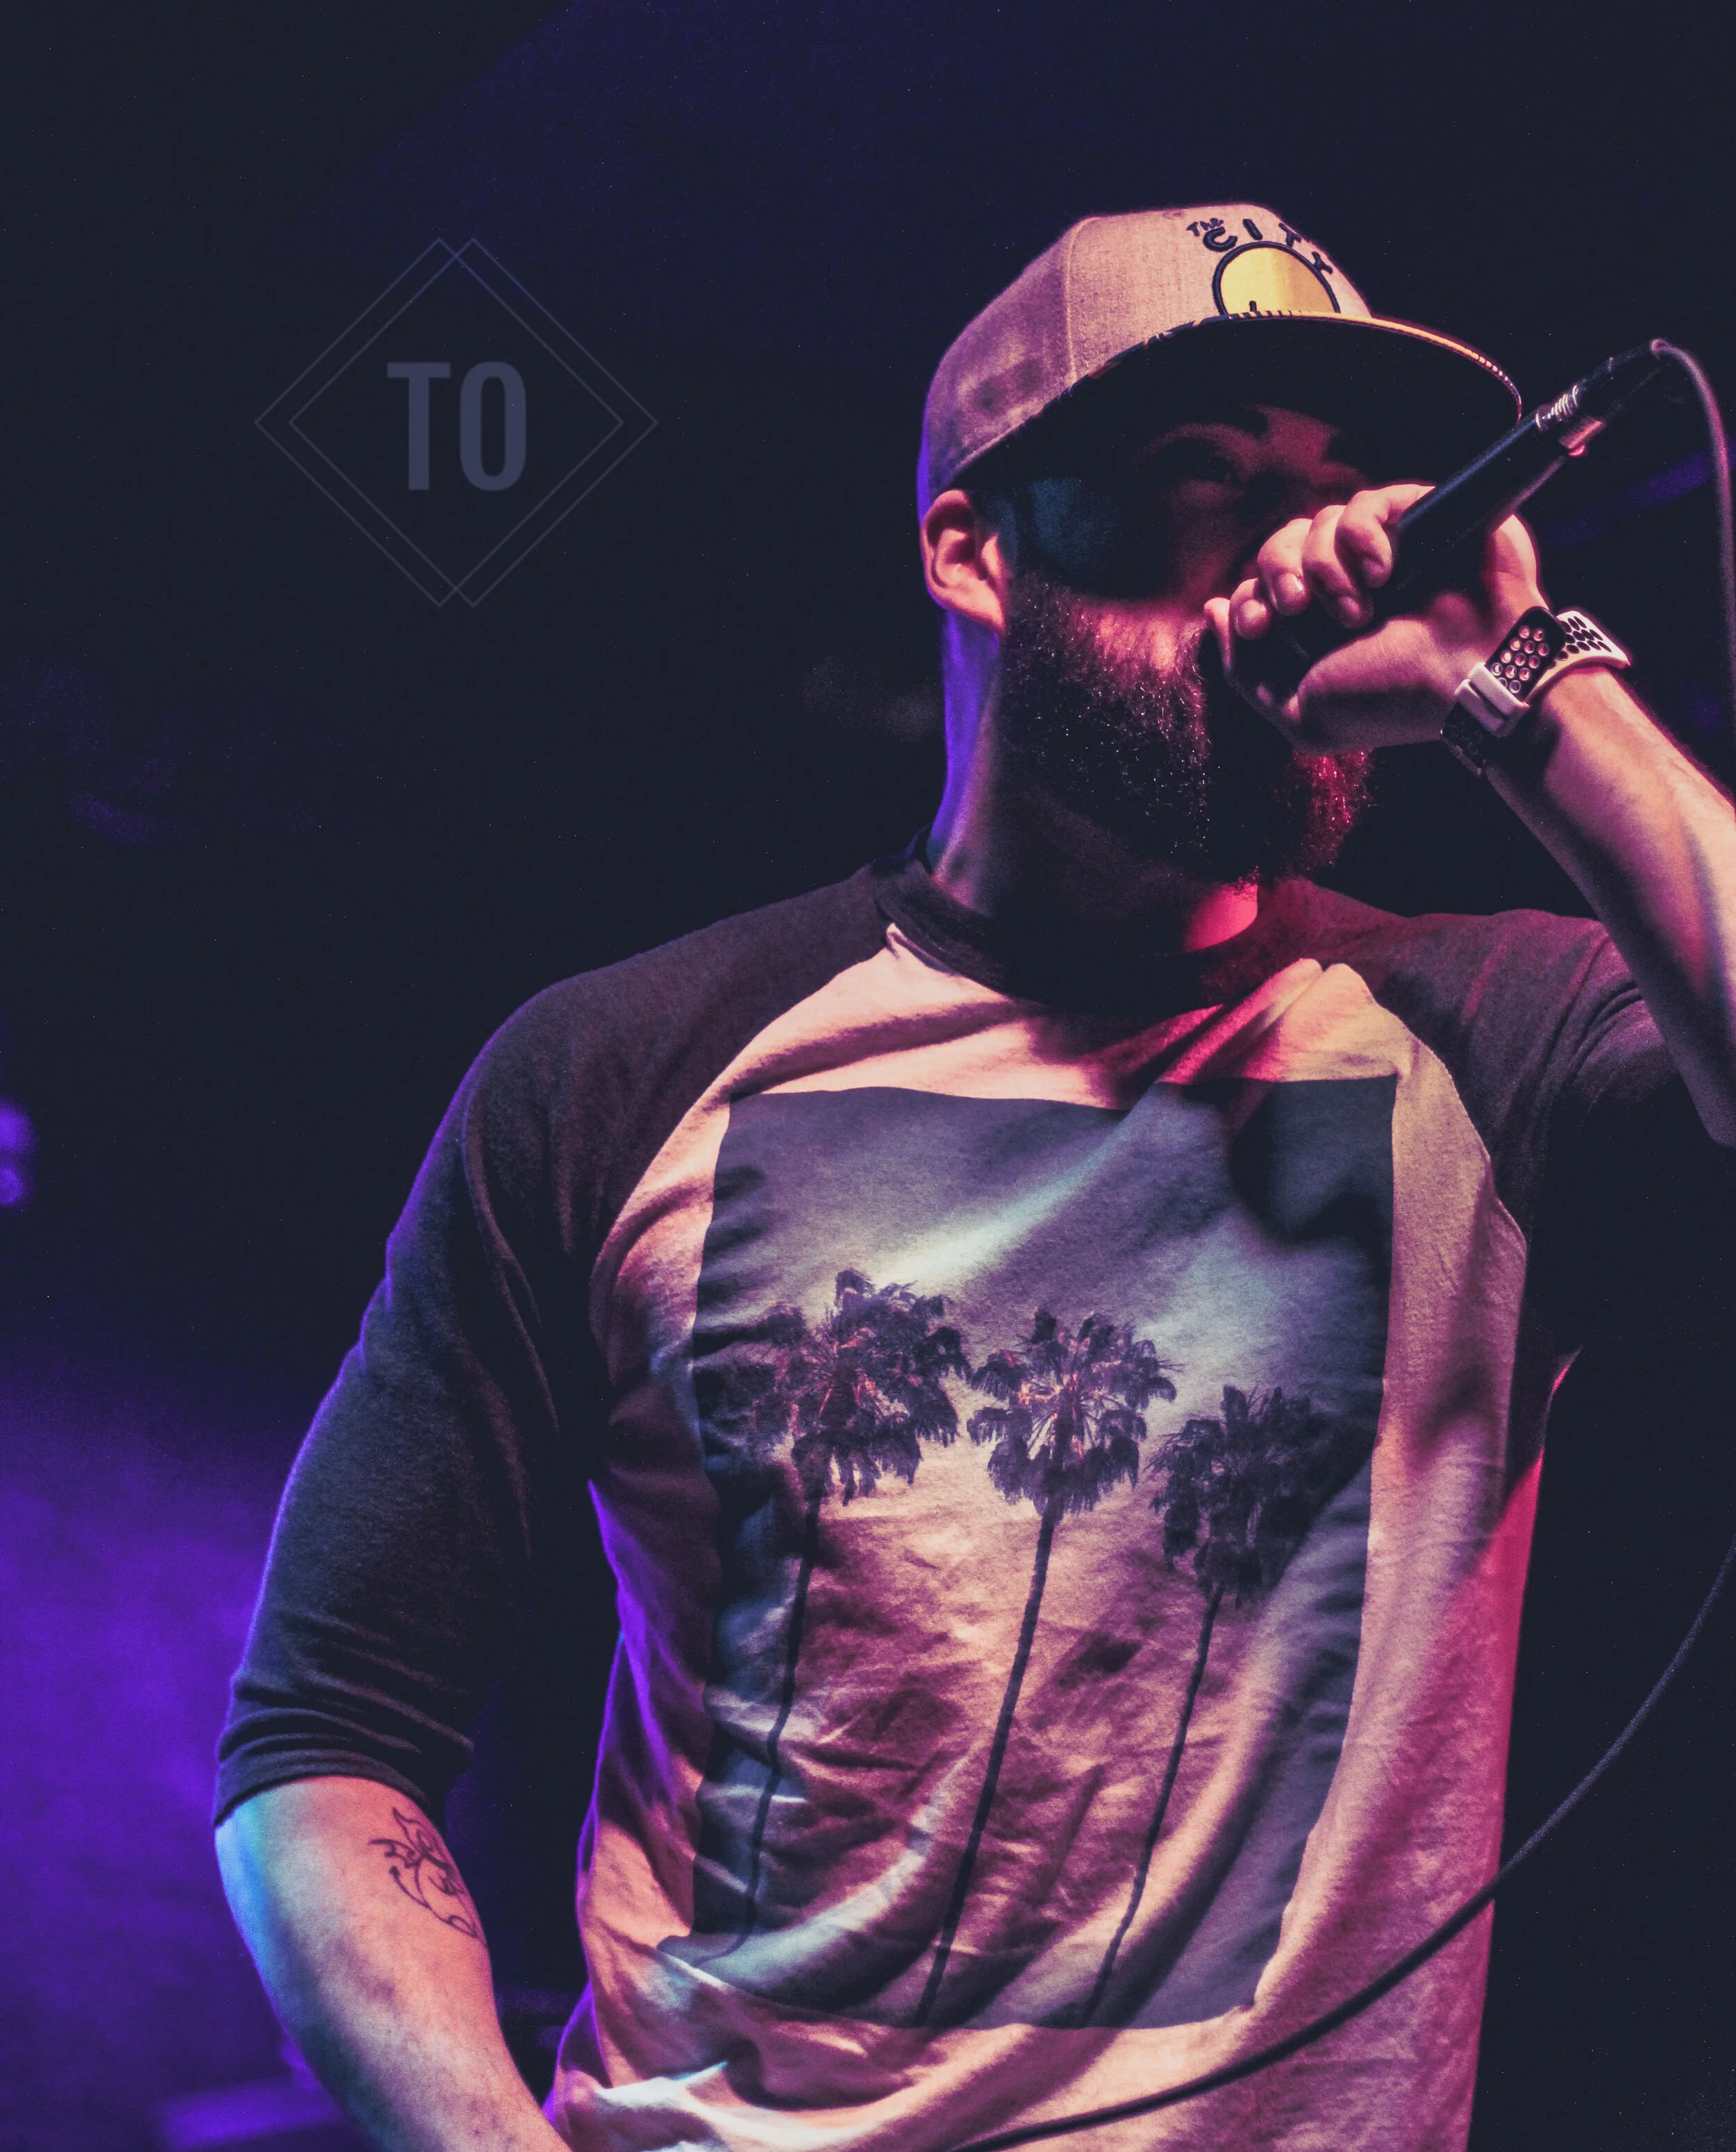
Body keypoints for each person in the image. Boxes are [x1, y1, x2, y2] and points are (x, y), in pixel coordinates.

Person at [214, 206, 1736, 2152]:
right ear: (974, 550)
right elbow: (324, 1750)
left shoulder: (1492, 1042)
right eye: (1208, 483)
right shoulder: (618, 1072)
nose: (1292, 556)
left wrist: (1518, 674)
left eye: (1340, 494)